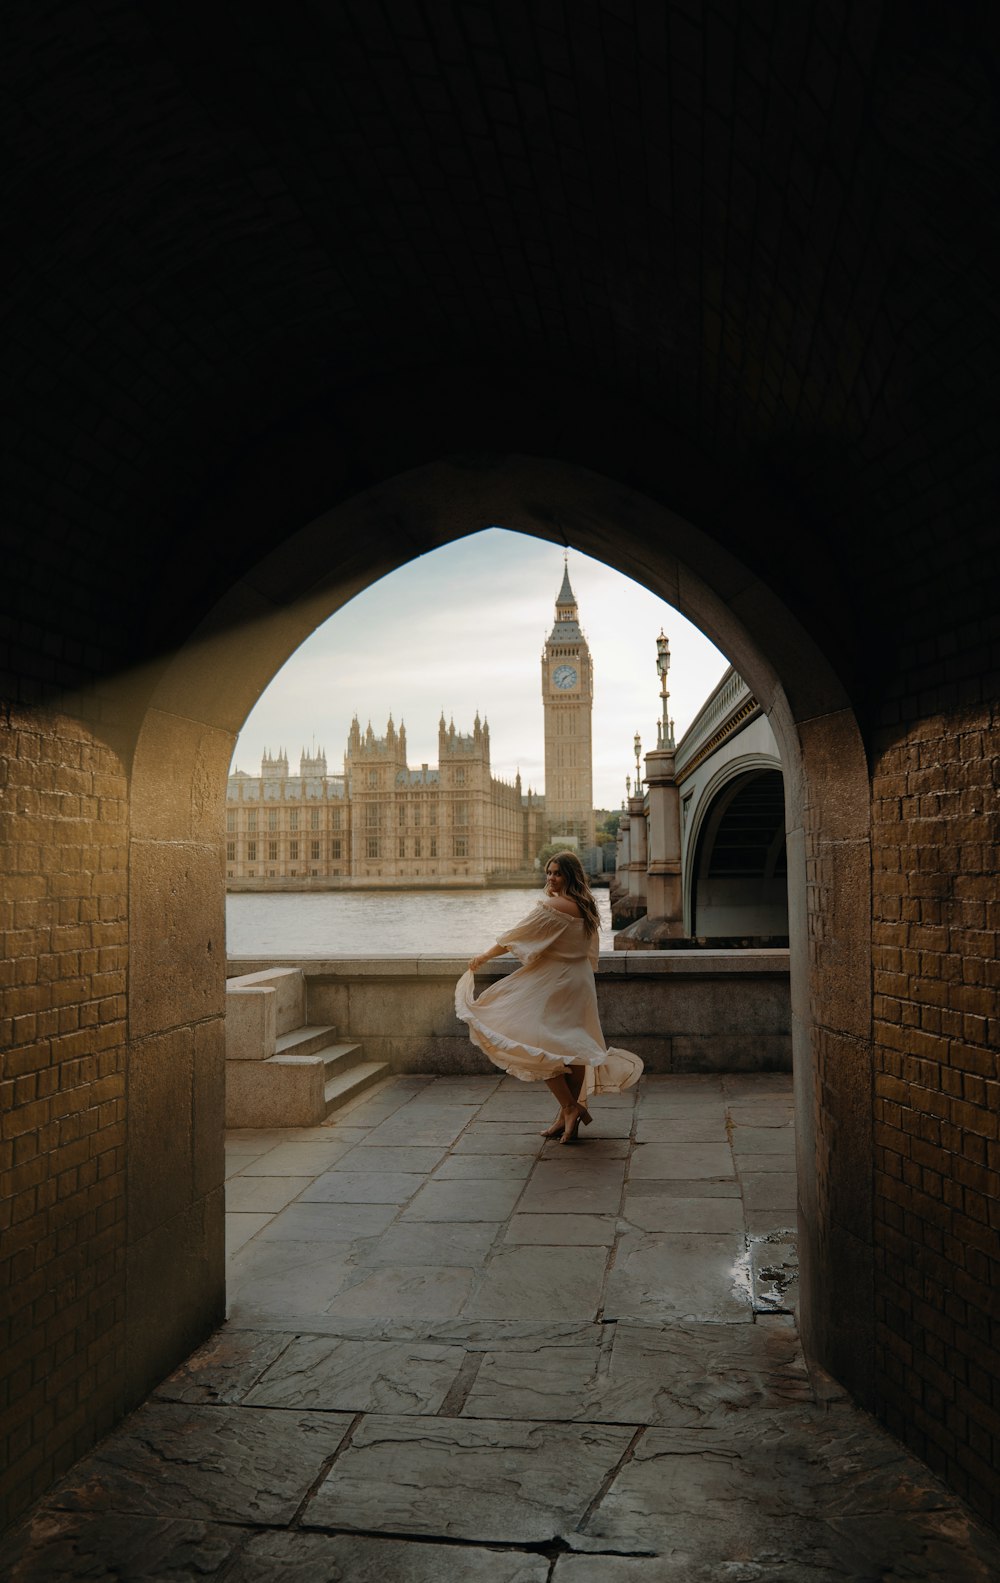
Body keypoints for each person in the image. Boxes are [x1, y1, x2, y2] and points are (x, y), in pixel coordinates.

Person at [455, 850, 643, 1144]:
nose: (551, 878)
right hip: (579, 980)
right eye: (548, 872)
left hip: (556, 981)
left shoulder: (555, 906)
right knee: (574, 1044)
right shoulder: (587, 906)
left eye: (556, 872)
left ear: (569, 875)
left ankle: (569, 1107)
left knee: (536, 1042)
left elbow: (515, 937)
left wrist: (483, 956)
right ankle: (568, 1117)